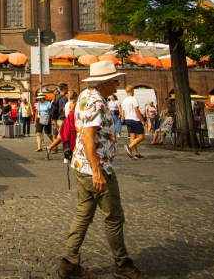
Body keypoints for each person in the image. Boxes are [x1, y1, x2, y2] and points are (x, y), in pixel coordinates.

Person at [58, 61, 148, 279]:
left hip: (81, 165)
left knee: (84, 213)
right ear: (105, 82)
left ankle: (69, 263)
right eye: (115, 80)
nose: (118, 84)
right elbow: (88, 136)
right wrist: (97, 171)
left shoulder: (86, 95)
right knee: (114, 216)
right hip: (95, 169)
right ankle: (122, 263)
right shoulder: (96, 102)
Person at [122, 85, 147, 159]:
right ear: (133, 91)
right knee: (141, 137)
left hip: (127, 119)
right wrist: (142, 120)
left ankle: (136, 153)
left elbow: (123, 111)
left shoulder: (124, 100)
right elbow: (136, 110)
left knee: (132, 137)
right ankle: (129, 146)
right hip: (135, 119)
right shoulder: (133, 99)